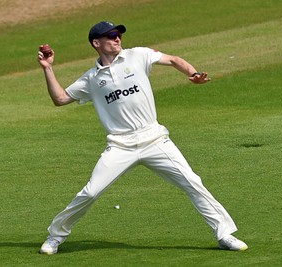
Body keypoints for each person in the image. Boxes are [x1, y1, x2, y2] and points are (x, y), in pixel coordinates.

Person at [37, 21, 248, 255]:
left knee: (193, 182)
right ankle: (55, 236)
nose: (117, 38)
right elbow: (60, 99)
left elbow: (174, 60)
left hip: (155, 139)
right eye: (111, 36)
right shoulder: (92, 79)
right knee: (91, 192)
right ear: (96, 43)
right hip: (120, 145)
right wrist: (47, 67)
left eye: (118, 34)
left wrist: (194, 74)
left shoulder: (138, 55)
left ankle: (224, 234)